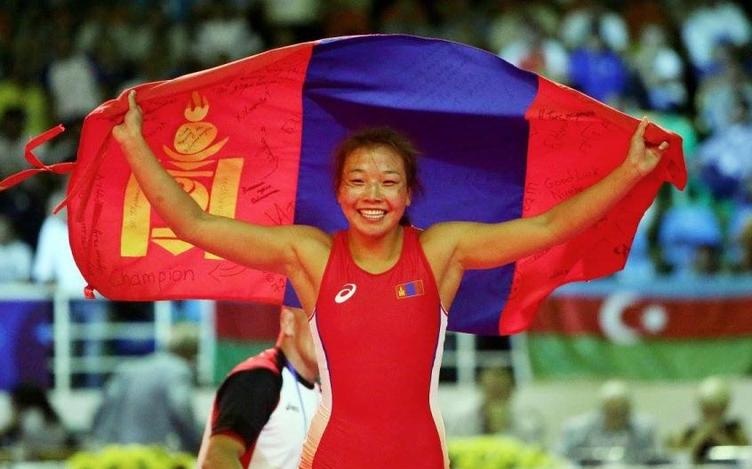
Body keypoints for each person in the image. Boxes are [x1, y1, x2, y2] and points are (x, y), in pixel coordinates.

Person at [113, 90, 668, 468]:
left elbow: (547, 227)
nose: (372, 195)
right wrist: (134, 144)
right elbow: (197, 224)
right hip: (332, 457)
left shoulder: (441, 251)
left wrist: (630, 171)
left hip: (420, 456)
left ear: (407, 194)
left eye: (388, 181)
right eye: (357, 181)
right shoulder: (310, 255)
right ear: (338, 193)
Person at [198, 305, 319, 469]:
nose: (326, 335)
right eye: (317, 322)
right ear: (288, 322)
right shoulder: (258, 377)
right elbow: (216, 458)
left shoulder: (323, 394)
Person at [89, 322, 201, 452]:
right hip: (155, 451)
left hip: (117, 450)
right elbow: (181, 406)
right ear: (192, 352)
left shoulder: (129, 369)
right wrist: (195, 442)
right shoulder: (178, 370)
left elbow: (104, 406)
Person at [558, 380, 658, 465]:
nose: (616, 416)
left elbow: (653, 460)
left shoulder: (643, 429)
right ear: (601, 410)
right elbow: (560, 459)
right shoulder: (577, 429)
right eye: (611, 411)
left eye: (621, 411)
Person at [669, 376, 749, 463]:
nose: (712, 415)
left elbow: (743, 457)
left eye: (716, 410)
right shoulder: (689, 432)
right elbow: (681, 458)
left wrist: (720, 439)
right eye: (708, 410)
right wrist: (701, 437)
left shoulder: (734, 431)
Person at [0, 383, 76, 460]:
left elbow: (29, 447)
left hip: (38, 459)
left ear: (19, 401)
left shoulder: (29, 418)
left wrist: (13, 421)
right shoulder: (50, 416)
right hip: (58, 457)